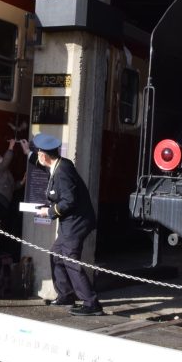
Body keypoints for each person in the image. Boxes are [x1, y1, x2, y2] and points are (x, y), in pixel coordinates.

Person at [25, 133, 104, 316]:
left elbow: (69, 201)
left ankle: (91, 303)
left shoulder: (62, 171)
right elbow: (40, 165)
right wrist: (27, 153)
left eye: (38, 154)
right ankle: (66, 295)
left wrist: (49, 212)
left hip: (76, 223)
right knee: (56, 255)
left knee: (69, 260)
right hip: (70, 223)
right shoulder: (56, 165)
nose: (38, 157)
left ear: (44, 155)